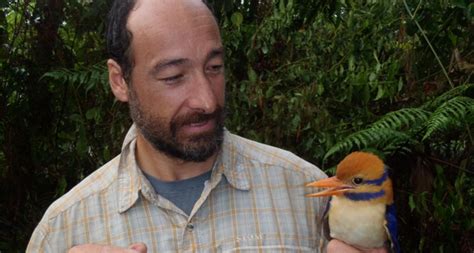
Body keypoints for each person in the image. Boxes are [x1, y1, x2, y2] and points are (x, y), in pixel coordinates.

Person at [27, 0, 387, 252]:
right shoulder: (63, 229)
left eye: (214, 68)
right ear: (119, 81)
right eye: (173, 76)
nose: (207, 100)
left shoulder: (307, 193)